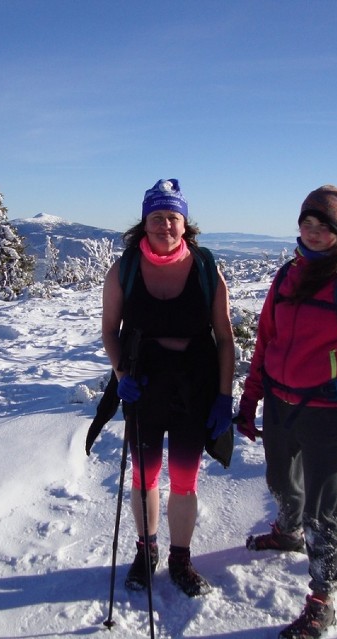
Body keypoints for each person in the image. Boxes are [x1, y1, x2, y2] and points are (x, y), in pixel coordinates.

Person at [235, 185, 337, 638]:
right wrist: (250, 400)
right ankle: (287, 532)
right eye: (307, 224)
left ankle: (323, 599)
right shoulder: (288, 274)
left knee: (323, 511)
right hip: (281, 403)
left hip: (329, 410)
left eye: (324, 226)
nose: (314, 232)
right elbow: (266, 340)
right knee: (281, 481)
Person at [101, 178, 235, 597]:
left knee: (183, 478)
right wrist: (122, 377)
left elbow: (226, 337)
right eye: (156, 217)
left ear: (184, 223)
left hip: (194, 385)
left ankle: (180, 557)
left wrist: (224, 395)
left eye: (172, 217)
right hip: (144, 382)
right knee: (144, 476)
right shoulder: (123, 269)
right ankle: (147, 551)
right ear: (144, 222)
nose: (165, 225)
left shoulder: (205, 267)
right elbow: (109, 330)